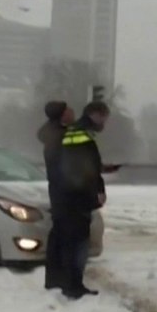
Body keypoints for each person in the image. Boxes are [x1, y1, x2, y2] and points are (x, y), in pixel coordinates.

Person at [56, 100, 110, 299]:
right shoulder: (82, 135)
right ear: (94, 115)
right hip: (79, 197)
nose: (104, 123)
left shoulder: (74, 132)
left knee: (73, 241)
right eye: (104, 118)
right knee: (78, 242)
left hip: (70, 194)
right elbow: (88, 169)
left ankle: (71, 283)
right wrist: (99, 189)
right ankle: (74, 285)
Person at [37, 101, 74, 290]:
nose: (72, 112)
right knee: (62, 235)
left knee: (60, 234)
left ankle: (56, 279)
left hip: (60, 190)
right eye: (68, 110)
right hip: (64, 192)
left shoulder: (55, 134)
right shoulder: (59, 138)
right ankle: (59, 280)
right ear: (61, 114)